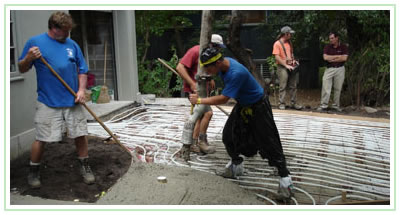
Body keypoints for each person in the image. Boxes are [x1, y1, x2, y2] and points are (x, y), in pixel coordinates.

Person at [189, 47, 294, 199]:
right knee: (228, 136)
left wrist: (199, 100)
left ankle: (286, 181)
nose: (206, 70)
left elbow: (224, 99)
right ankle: (236, 166)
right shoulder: (224, 66)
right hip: (243, 105)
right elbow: (213, 77)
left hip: (258, 107)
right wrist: (207, 80)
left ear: (217, 63)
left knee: (270, 143)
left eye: (208, 67)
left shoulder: (235, 73)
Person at [18, 12, 94, 188]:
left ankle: (85, 166)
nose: (68, 35)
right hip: (48, 101)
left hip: (72, 100)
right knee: (41, 138)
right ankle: (33, 171)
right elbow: (22, 68)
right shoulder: (35, 43)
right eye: (65, 31)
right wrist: (29, 57)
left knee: (80, 134)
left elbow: (82, 70)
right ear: (54, 29)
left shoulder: (72, 45)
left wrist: (81, 90)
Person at [175, 34, 226, 154]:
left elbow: (205, 69)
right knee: (205, 114)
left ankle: (197, 142)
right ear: (211, 45)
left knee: (202, 115)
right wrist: (192, 84)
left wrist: (210, 79)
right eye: (217, 47)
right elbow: (179, 67)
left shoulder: (207, 55)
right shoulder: (195, 51)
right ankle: (195, 142)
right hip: (195, 91)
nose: (218, 51)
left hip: (203, 91)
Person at [272, 26, 302, 110]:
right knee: (283, 85)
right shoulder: (277, 44)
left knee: (293, 85)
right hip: (282, 67)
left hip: (290, 66)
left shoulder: (289, 43)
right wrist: (286, 65)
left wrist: (294, 61)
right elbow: (277, 57)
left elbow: (291, 54)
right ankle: (281, 103)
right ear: (285, 34)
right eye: (290, 34)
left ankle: (294, 103)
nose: (291, 35)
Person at [317, 32, 349, 112]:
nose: (330, 40)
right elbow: (325, 57)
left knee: (338, 88)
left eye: (332, 38)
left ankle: (336, 105)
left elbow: (344, 58)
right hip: (329, 69)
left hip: (340, 68)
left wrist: (331, 59)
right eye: (330, 38)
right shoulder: (327, 47)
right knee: (326, 86)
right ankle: (324, 105)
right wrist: (338, 56)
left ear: (337, 38)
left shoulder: (343, 47)